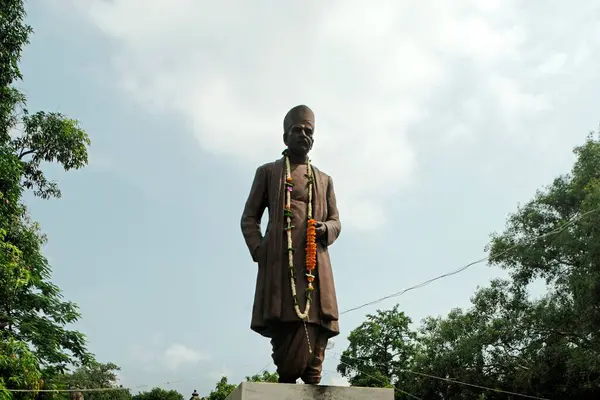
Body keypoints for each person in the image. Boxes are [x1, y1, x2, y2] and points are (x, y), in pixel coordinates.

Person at [241, 105, 342, 384]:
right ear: (285, 137)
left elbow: (336, 221)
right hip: (279, 262)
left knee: (318, 318)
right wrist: (261, 249)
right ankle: (287, 374)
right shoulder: (268, 172)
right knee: (282, 318)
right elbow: (249, 217)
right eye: (297, 130)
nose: (304, 135)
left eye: (309, 131)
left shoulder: (324, 180)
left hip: (314, 262)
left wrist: (325, 229)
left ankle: (312, 374)